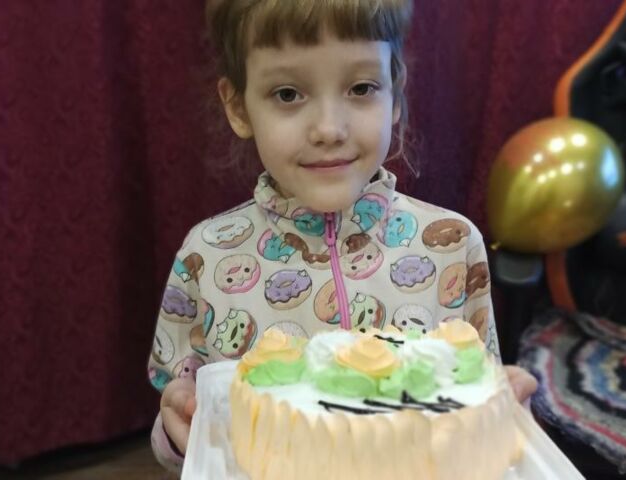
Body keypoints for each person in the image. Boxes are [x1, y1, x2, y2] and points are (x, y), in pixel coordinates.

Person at [148, 0, 538, 473]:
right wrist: (177, 431)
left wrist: (508, 415)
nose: (329, 129)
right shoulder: (205, 258)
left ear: (395, 92)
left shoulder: (452, 246)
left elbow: (478, 405)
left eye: (361, 88)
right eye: (288, 93)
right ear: (237, 106)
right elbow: (189, 422)